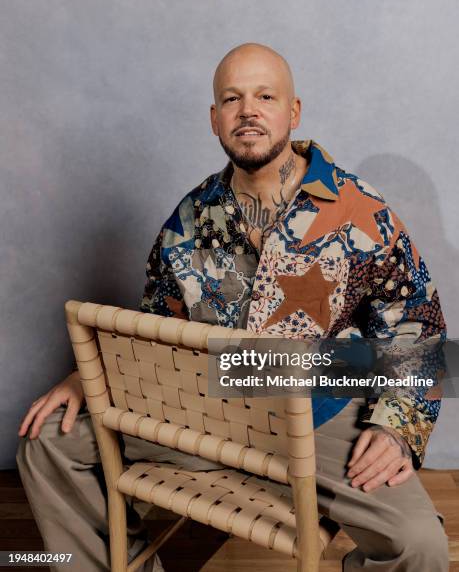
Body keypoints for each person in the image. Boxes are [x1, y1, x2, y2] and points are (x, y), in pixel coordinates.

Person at [16, 43, 449, 572]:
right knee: (49, 443)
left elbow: (419, 332)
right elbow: (156, 327)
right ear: (215, 119)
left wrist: (395, 427)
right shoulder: (190, 216)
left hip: (322, 407)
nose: (248, 110)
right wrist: (88, 376)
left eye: (265, 96)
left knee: (418, 544)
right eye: (232, 98)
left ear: (292, 111)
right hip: (207, 400)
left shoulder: (362, 212)